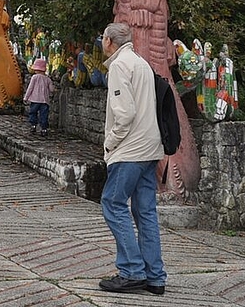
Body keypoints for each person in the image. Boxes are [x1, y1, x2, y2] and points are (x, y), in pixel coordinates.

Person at [98, 22, 166, 295]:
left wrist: (110, 143)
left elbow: (124, 114)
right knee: (145, 211)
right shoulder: (140, 63)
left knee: (112, 203)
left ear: (108, 41)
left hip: (130, 150)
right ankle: (155, 276)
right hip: (150, 147)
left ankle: (131, 271)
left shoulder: (118, 65)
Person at [24, 57, 56, 137]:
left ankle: (33, 125)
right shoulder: (47, 79)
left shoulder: (34, 77)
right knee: (44, 115)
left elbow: (30, 88)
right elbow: (52, 89)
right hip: (44, 101)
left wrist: (26, 97)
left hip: (35, 99)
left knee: (33, 113)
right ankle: (44, 129)